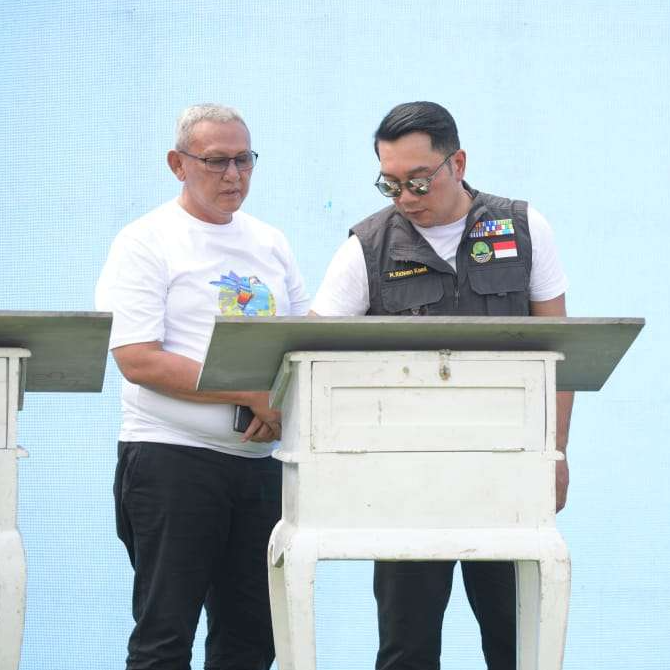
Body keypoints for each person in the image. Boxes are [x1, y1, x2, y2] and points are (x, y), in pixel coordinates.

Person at [310, 101, 573, 670]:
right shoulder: (366, 247)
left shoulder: (523, 228)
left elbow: (560, 354)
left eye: (418, 180)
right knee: (406, 646)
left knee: (517, 640)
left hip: (507, 472)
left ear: (458, 162)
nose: (405, 197)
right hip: (407, 479)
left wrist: (555, 454)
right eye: (390, 183)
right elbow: (312, 356)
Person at [95, 103, 310, 670]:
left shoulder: (270, 242)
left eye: (244, 160)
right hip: (173, 460)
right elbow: (138, 359)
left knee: (253, 639)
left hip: (260, 465)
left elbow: (304, 345)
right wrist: (248, 395)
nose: (233, 175)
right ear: (178, 164)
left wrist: (281, 406)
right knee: (165, 637)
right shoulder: (147, 240)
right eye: (216, 161)